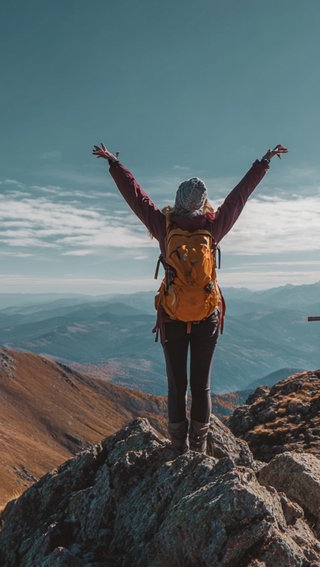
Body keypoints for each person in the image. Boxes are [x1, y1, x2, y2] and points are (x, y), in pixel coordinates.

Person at [93, 142, 288, 453]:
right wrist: (263, 162)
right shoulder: (213, 227)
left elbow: (136, 197)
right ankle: (198, 447)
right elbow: (240, 197)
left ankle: (177, 446)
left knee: (176, 386)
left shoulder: (164, 226)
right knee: (201, 385)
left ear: (177, 201)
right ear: (204, 202)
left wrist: (115, 164)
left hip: (171, 314)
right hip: (206, 315)